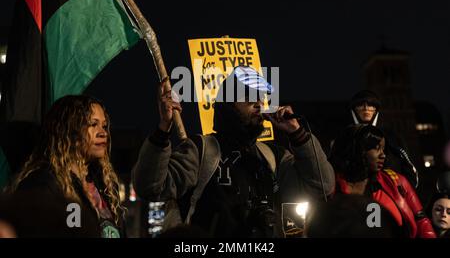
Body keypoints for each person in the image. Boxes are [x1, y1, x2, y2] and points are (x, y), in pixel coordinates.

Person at [133, 66, 335, 237]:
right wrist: (163, 129)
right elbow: (151, 187)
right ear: (228, 104)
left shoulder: (273, 158)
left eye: (260, 97)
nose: (257, 103)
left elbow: (324, 186)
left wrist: (298, 134)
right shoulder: (201, 150)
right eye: (248, 96)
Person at [11, 95, 124, 238]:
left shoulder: (105, 185)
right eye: (93, 124)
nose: (103, 133)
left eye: (104, 125)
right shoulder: (45, 185)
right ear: (70, 130)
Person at [330, 124, 435, 238]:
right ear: (358, 149)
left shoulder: (396, 181)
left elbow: (421, 220)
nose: (383, 155)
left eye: (383, 149)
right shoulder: (332, 186)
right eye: (376, 148)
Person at [348, 90, 419, 189]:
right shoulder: (346, 136)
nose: (366, 108)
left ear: (376, 109)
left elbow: (408, 170)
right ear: (354, 109)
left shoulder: (391, 137)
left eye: (371, 105)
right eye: (360, 105)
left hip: (387, 191)